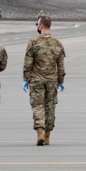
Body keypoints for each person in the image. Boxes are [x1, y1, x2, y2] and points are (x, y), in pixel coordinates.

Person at [23, 15, 65, 146]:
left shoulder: (33, 42)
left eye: (37, 24)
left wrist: (25, 78)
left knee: (37, 106)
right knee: (50, 107)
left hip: (36, 80)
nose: (37, 26)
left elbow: (28, 63)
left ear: (41, 26)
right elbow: (61, 66)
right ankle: (47, 136)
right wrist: (61, 81)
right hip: (52, 81)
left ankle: (39, 132)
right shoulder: (57, 43)